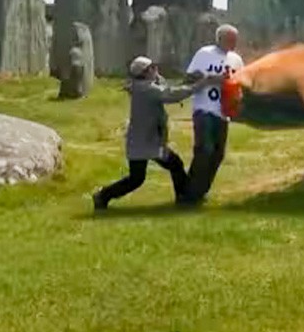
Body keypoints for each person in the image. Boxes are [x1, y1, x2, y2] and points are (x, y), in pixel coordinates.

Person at [93, 57, 219, 210]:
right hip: (146, 141)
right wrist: (202, 84)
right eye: (153, 67)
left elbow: (168, 87)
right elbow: (172, 94)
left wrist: (191, 80)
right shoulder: (147, 89)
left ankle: (103, 195)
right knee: (149, 174)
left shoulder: (145, 86)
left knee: (155, 171)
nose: (157, 69)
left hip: (145, 139)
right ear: (146, 72)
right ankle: (102, 196)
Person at [181, 24, 244, 206]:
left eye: (235, 40)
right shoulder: (204, 53)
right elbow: (189, 79)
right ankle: (189, 193)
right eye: (230, 39)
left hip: (223, 113)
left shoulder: (236, 59)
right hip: (204, 109)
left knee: (218, 154)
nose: (234, 43)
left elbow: (240, 84)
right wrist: (211, 79)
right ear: (220, 39)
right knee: (204, 149)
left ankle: (200, 191)